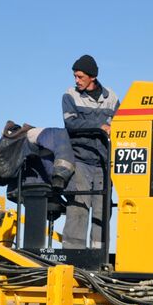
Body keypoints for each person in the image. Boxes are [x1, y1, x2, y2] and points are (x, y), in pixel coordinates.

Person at [61, 55, 120, 250]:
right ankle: (73, 257)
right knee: (78, 210)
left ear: (92, 77)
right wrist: (99, 126)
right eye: (75, 76)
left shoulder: (111, 97)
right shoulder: (70, 95)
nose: (76, 80)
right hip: (80, 162)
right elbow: (71, 124)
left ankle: (98, 256)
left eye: (80, 76)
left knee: (102, 212)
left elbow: (121, 124)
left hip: (104, 164)